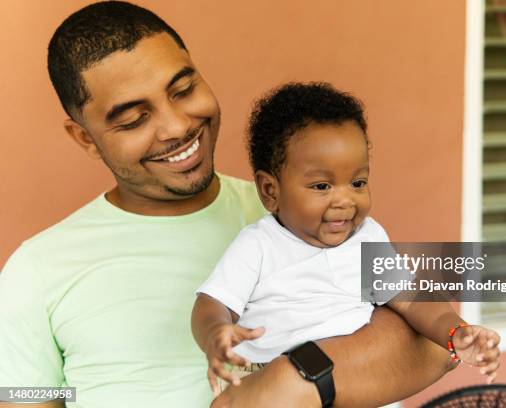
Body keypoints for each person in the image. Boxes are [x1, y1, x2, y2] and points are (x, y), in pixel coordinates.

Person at [0, 2, 455, 407]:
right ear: (85, 137)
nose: (177, 126)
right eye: (136, 118)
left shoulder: (301, 210)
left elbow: (435, 341)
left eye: (183, 90)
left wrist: (297, 380)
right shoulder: (34, 271)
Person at [192, 83, 501, 400]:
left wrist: (456, 332)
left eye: (358, 182)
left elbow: (410, 297)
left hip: (352, 375)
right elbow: (212, 303)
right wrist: (216, 333)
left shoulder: (367, 237)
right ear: (271, 191)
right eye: (322, 186)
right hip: (265, 377)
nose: (345, 200)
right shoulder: (259, 245)